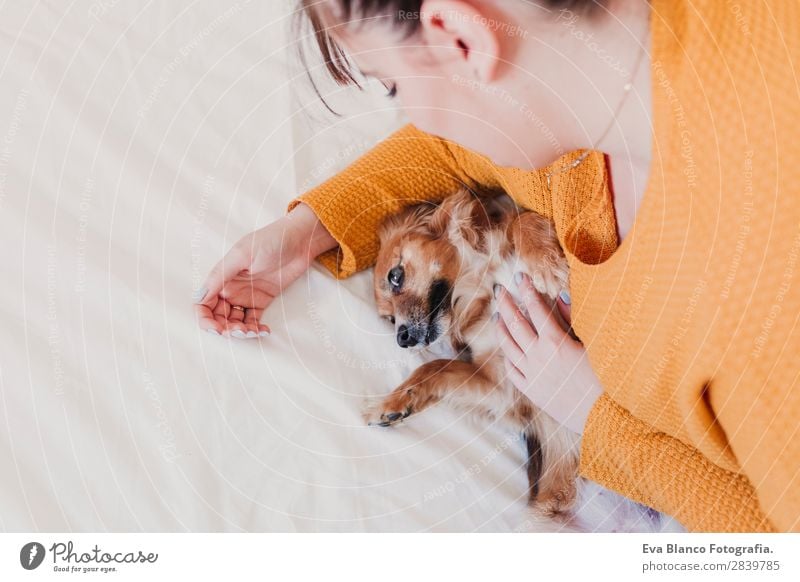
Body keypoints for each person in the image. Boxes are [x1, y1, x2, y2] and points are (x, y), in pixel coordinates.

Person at [193, 0, 800, 532]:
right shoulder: (587, 88)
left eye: (392, 87)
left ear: (462, 38)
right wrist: (304, 233)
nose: (410, 115)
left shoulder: (758, 304)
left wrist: (594, 416)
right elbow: (452, 142)